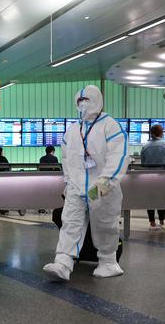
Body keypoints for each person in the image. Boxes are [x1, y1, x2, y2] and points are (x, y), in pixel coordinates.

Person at [43, 85, 129, 281]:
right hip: (77, 187)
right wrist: (68, 182)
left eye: (87, 101)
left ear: (97, 101)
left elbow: (120, 154)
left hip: (100, 188)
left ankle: (108, 261)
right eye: (80, 102)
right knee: (70, 222)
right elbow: (67, 159)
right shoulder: (73, 130)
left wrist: (108, 179)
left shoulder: (110, 125)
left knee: (104, 223)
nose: (83, 105)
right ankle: (63, 262)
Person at [140, 124, 165, 231]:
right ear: (161, 133)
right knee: (162, 198)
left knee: (150, 198)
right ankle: (162, 222)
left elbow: (142, 163)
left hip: (148, 176)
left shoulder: (145, 146)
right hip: (163, 176)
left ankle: (152, 223)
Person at [38, 146, 59, 213]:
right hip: (52, 179)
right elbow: (57, 169)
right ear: (52, 151)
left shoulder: (41, 158)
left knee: (43, 193)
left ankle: (42, 207)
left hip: (43, 179)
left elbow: (40, 169)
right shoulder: (54, 158)